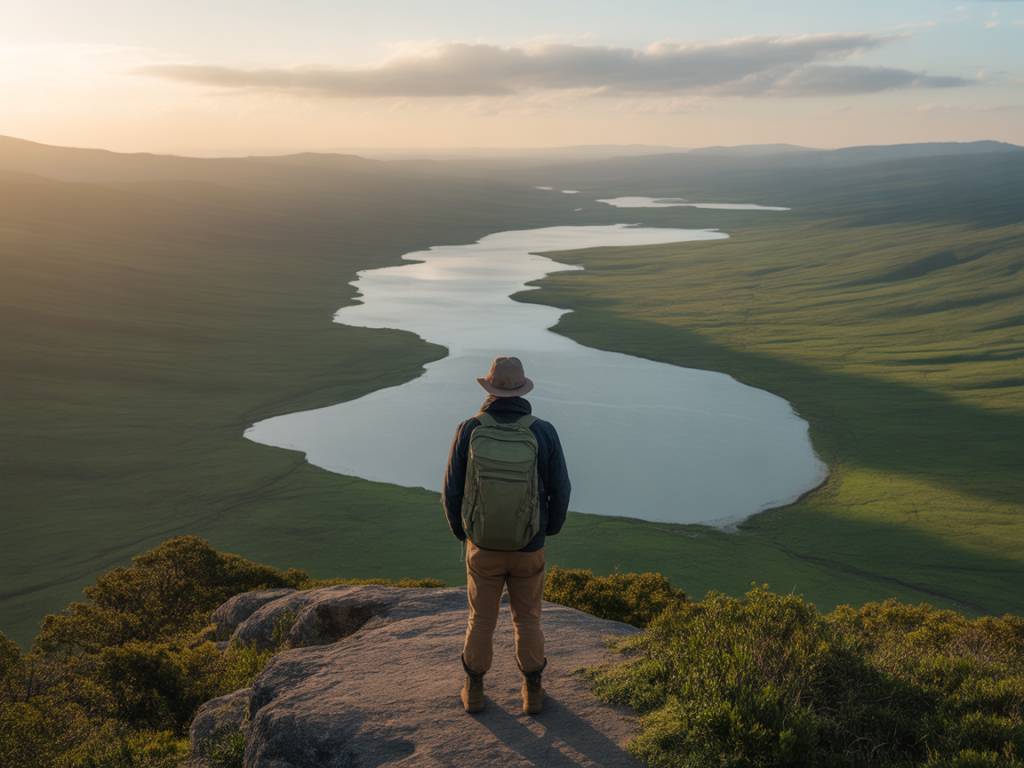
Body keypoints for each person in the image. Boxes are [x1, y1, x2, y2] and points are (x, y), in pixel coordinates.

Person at [442, 356, 571, 715]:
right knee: (527, 618)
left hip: (482, 545)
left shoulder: (469, 429)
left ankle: (474, 690)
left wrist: (464, 532)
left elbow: (451, 490)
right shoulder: (542, 431)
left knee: (480, 619)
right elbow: (561, 489)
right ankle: (532, 692)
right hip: (529, 546)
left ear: (490, 388)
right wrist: (546, 530)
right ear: (522, 390)